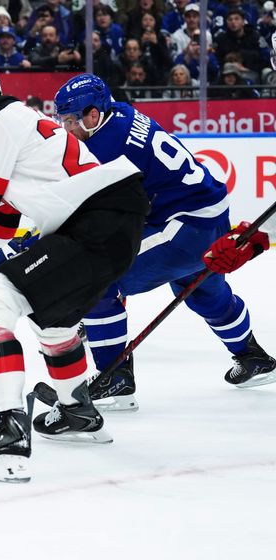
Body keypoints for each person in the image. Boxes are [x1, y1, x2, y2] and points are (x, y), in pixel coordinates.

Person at [0, 59, 148, 482]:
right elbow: (0, 220)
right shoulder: (18, 120)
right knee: (52, 317)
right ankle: (76, 411)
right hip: (114, 223)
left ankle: (8, 432)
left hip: (92, 223)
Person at [51, 73, 275, 409]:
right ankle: (252, 357)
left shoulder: (103, 148)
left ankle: (115, 378)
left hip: (184, 228)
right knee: (203, 291)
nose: (66, 128)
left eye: (70, 121)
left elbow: (94, 211)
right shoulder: (121, 112)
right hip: (209, 216)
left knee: (96, 277)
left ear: (93, 115)